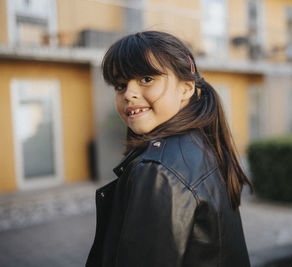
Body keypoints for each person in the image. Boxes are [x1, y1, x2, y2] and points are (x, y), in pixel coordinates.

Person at [85, 31, 254, 267]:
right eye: (120, 85)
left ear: (185, 88)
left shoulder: (159, 171)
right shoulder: (200, 143)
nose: (129, 94)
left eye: (146, 79)